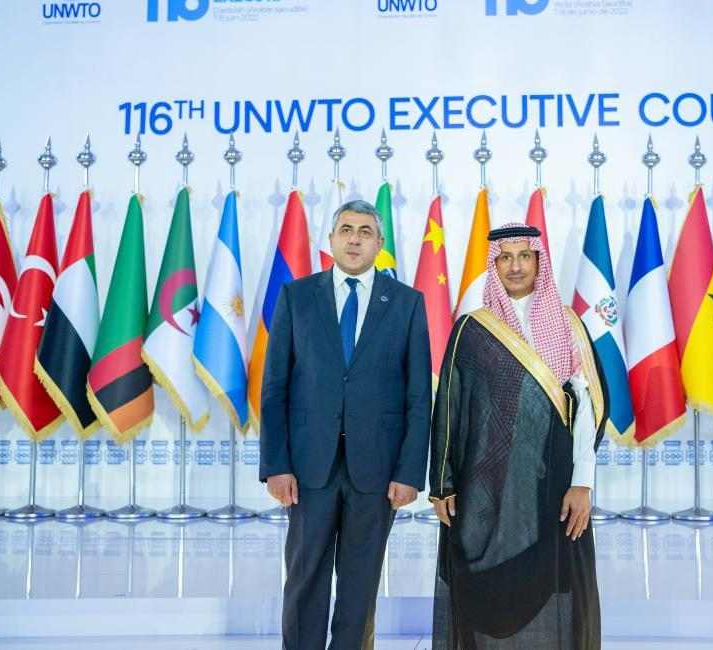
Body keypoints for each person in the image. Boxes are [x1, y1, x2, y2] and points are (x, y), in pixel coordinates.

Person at [260, 199, 432, 650]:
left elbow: (419, 397)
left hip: (377, 470)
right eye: (346, 230)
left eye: (365, 231)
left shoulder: (407, 304)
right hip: (307, 469)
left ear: (379, 243)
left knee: (360, 585)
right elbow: (274, 388)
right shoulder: (296, 297)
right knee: (304, 580)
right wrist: (276, 465)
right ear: (331, 239)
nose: (355, 239)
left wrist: (409, 473)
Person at [429, 223, 608, 650]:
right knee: (489, 583)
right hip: (486, 488)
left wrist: (582, 482)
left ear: (538, 261)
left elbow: (586, 408)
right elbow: (450, 407)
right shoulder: (473, 329)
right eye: (505, 258)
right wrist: (443, 484)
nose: (515, 266)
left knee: (555, 576)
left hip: (554, 484)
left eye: (524, 256)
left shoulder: (568, 324)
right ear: (494, 266)